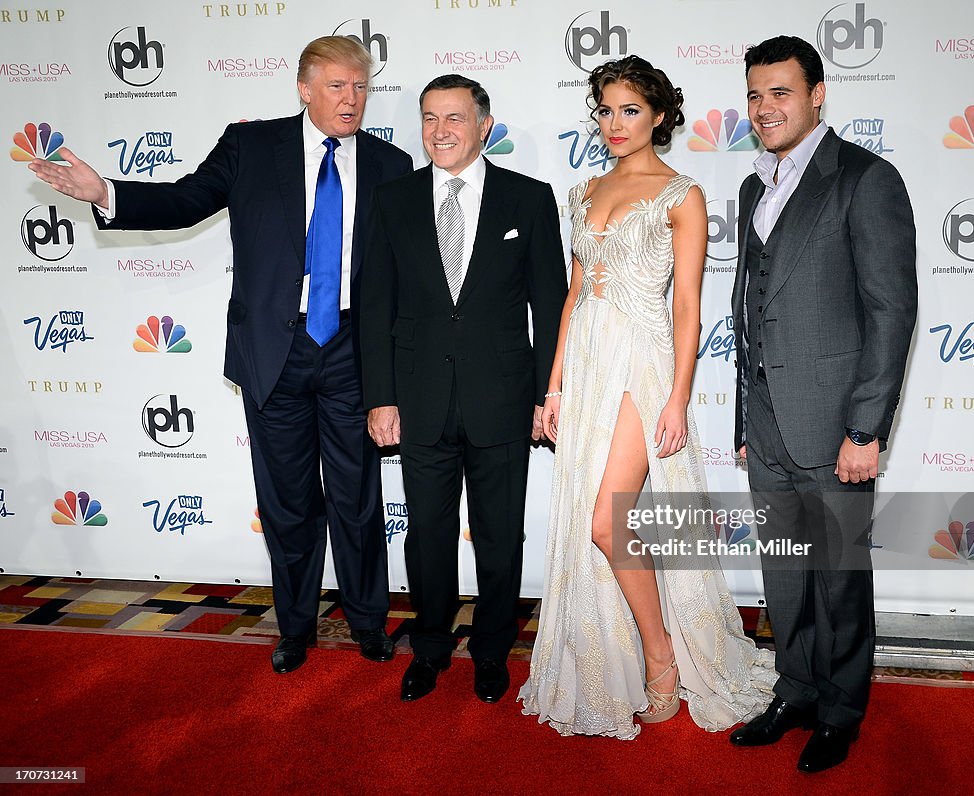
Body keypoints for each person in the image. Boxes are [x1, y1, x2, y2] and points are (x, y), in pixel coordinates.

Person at [27, 36, 414, 673]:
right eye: (338, 86)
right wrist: (106, 193)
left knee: (358, 499)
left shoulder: (390, 163)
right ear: (304, 88)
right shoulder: (251, 145)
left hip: (354, 352)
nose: (352, 100)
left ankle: (369, 623)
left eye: (361, 87)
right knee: (288, 502)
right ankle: (295, 629)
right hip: (274, 353)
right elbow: (185, 201)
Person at [518, 55, 777, 740]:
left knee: (608, 521)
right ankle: (623, 651)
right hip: (588, 361)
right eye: (605, 110)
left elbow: (689, 306)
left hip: (642, 364)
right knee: (594, 521)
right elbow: (574, 296)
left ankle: (662, 653)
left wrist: (677, 398)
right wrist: (553, 385)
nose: (615, 123)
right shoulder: (582, 192)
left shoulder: (681, 193)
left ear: (659, 115)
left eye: (630, 110)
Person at [727, 36, 916, 773]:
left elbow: (890, 312)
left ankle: (841, 709)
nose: (765, 107)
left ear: (816, 94)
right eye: (754, 95)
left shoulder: (865, 180)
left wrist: (865, 427)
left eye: (780, 92)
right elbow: (750, 311)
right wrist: (746, 419)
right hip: (769, 421)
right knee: (785, 571)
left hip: (837, 424)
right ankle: (796, 689)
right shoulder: (754, 187)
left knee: (838, 576)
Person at [360, 74, 567, 704]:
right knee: (426, 537)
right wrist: (380, 396)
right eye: (428, 118)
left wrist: (546, 395)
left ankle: (491, 649)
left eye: (454, 118)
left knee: (501, 535)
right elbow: (373, 307)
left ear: (483, 125)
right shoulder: (391, 200)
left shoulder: (528, 199)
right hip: (417, 399)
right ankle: (429, 648)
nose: (439, 130)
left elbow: (551, 305)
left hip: (502, 399)